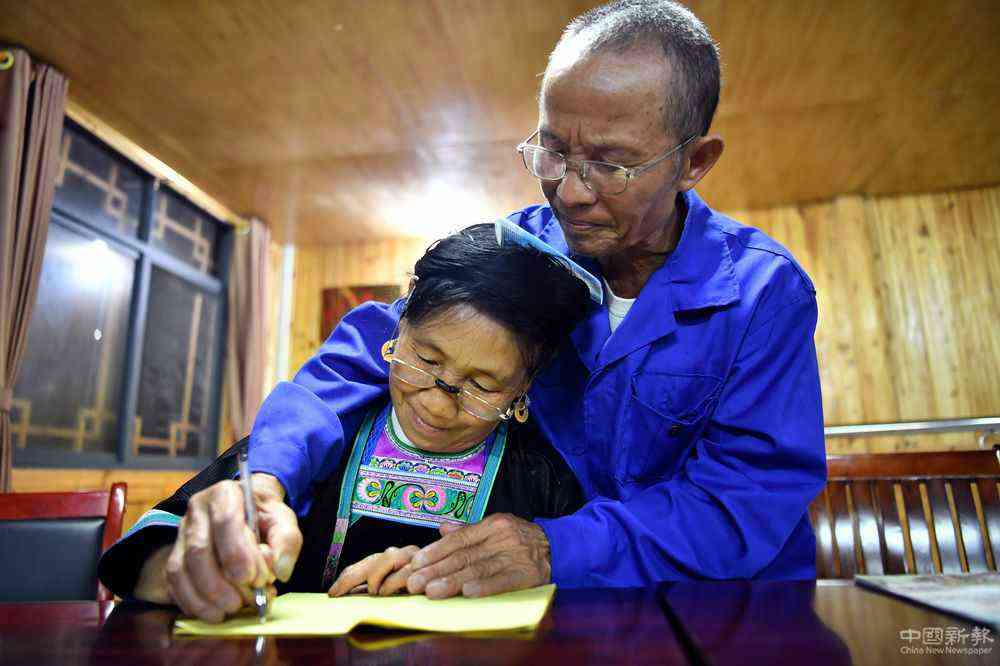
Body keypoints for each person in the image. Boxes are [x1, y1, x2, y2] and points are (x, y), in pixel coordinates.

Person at [181, 0, 826, 603]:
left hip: (724, 605)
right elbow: (368, 352)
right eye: (554, 150)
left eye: (612, 164)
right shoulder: (526, 248)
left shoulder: (759, 293)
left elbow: (745, 497)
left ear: (694, 162)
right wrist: (268, 474)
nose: (570, 193)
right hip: (565, 603)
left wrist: (554, 545)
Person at [97, 223, 594, 622]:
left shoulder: (542, 481)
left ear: (524, 390)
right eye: (425, 360)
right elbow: (149, 552)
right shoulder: (320, 439)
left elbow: (597, 611)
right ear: (397, 330)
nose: (439, 407)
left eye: (483, 387)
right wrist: (193, 568)